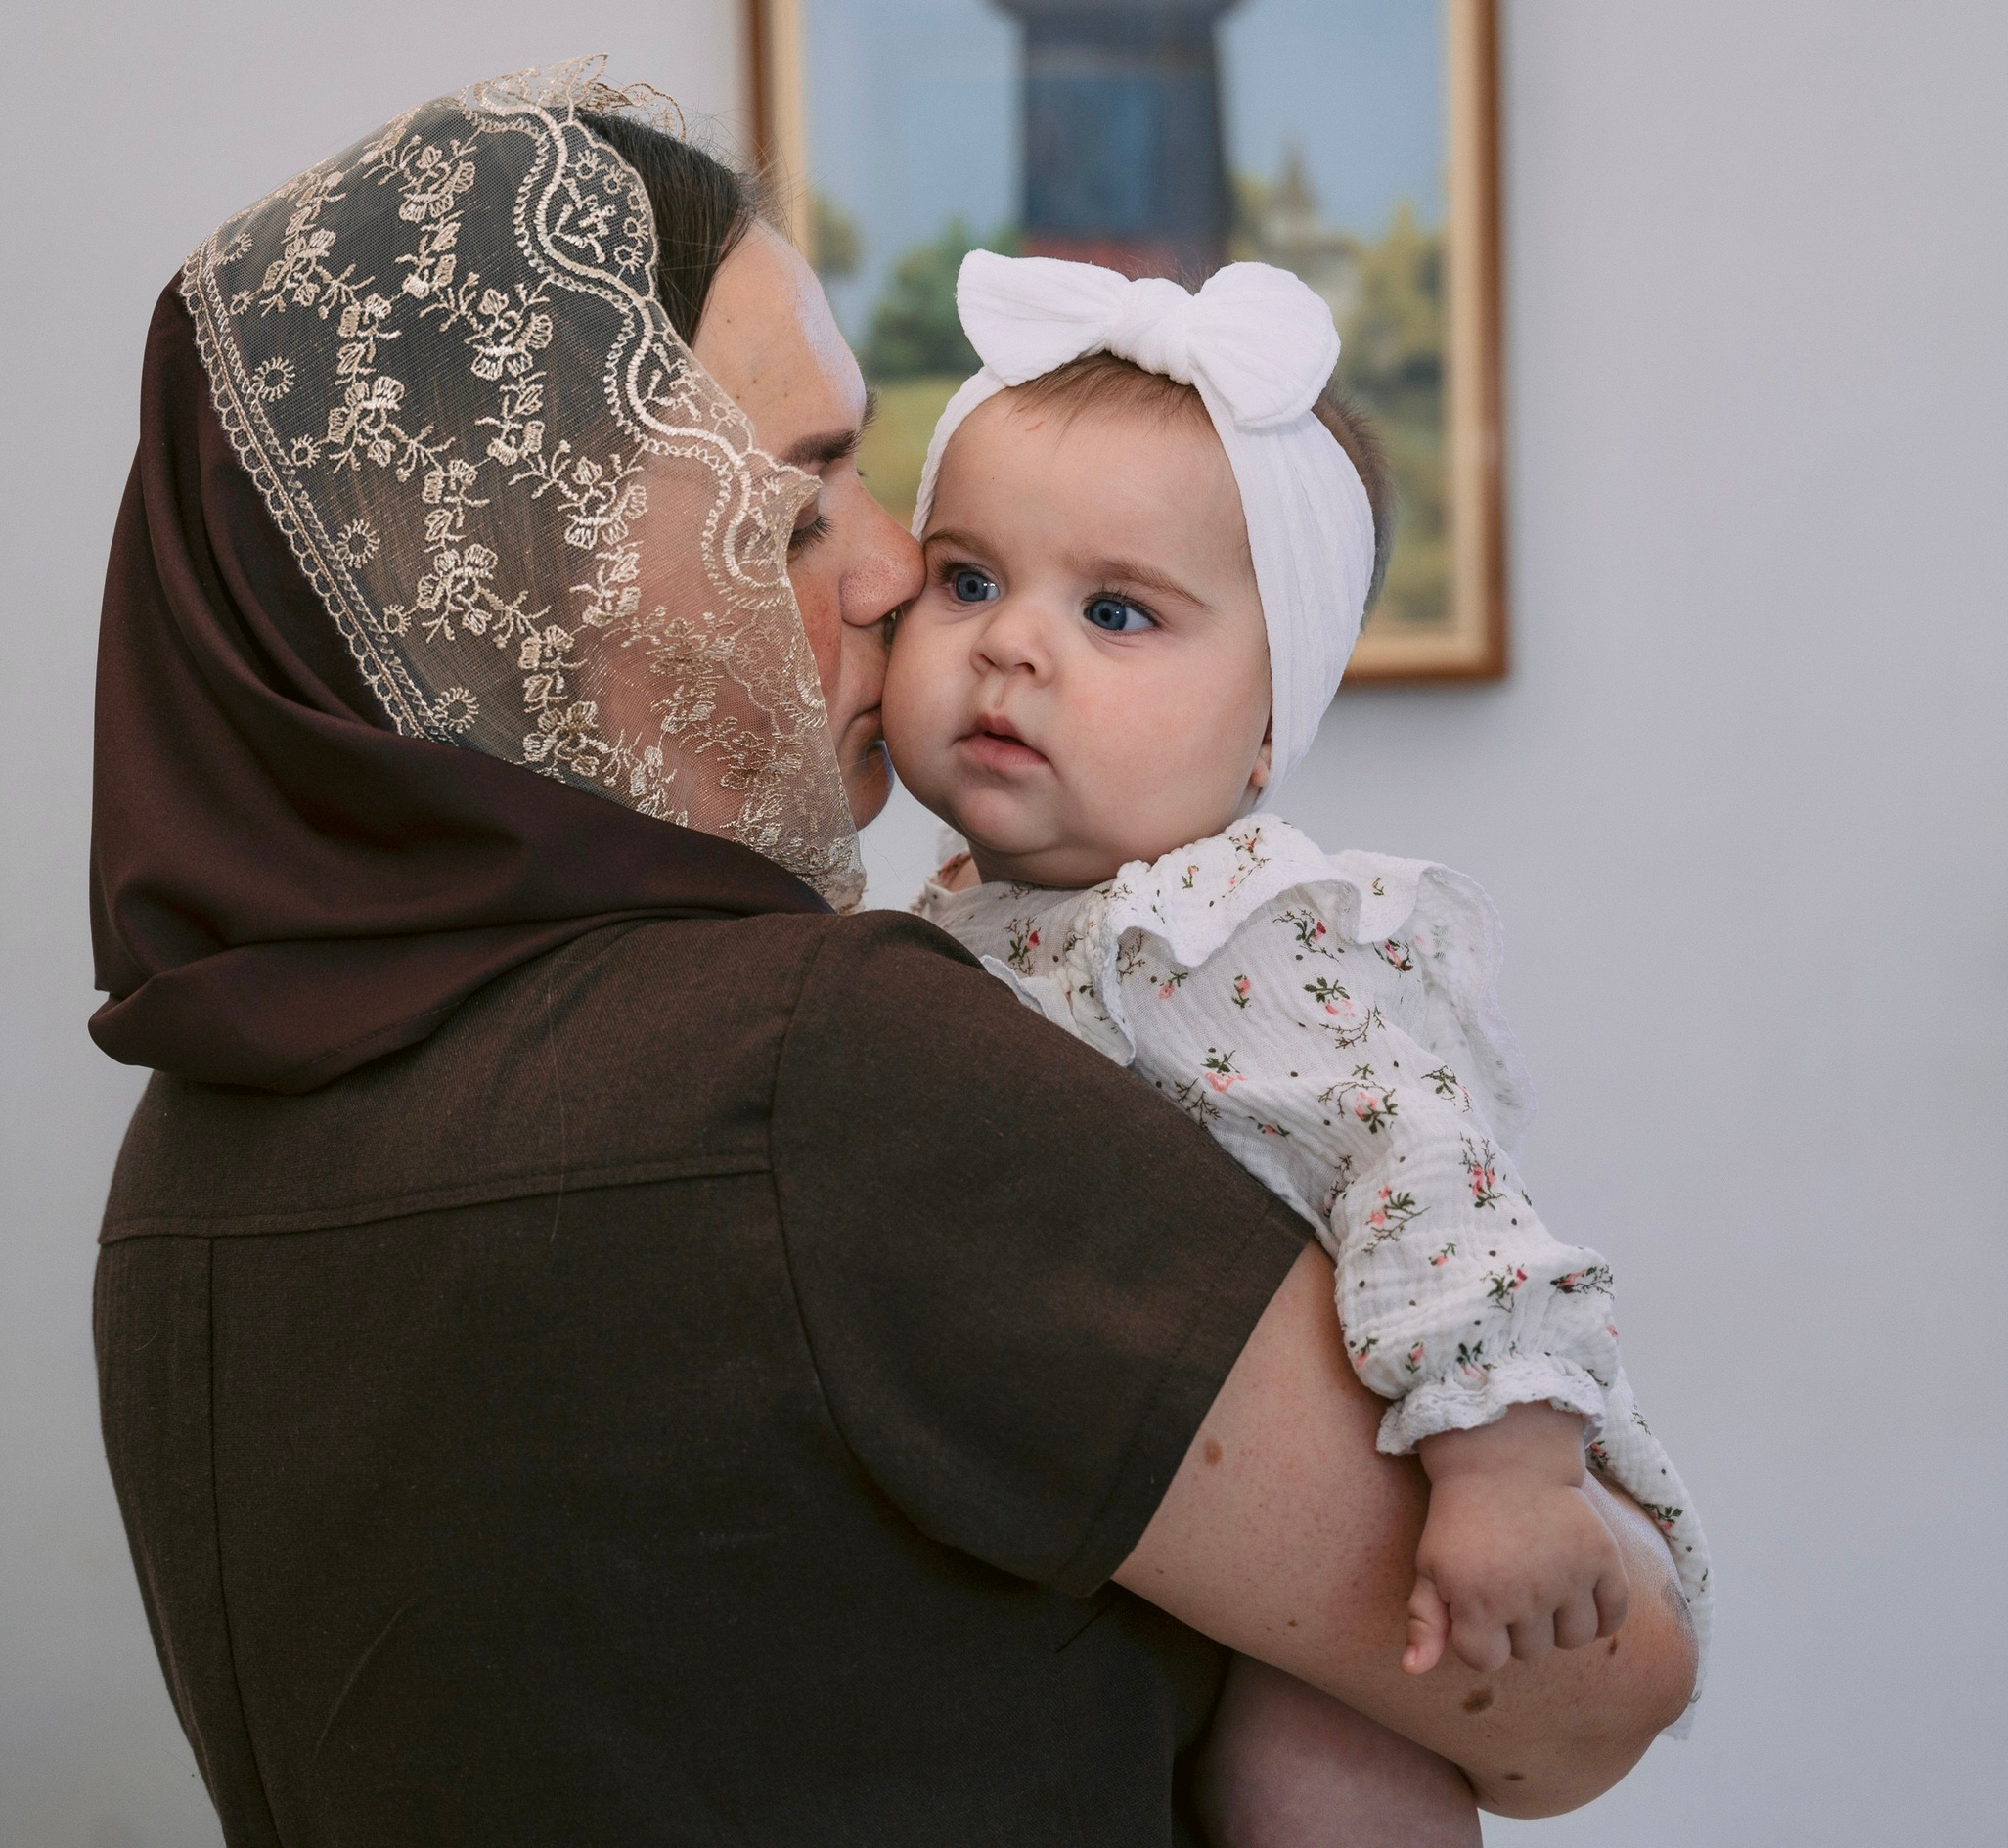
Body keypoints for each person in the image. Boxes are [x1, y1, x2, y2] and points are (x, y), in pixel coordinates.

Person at [89, 64, 1695, 1845]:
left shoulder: (183, 1164)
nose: (892, 576)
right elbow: (1592, 1689)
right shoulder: (823, 1064)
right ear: (537, 581)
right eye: (793, 501)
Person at [885, 253, 1711, 1842]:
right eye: (968, 578)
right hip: (1136, 1528)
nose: (1012, 647)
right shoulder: (944, 933)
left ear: (1271, 727)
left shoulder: (1244, 931)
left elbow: (1444, 1182)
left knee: (1320, 1768)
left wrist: (1505, 1474)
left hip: (1431, 1459)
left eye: (1116, 609)